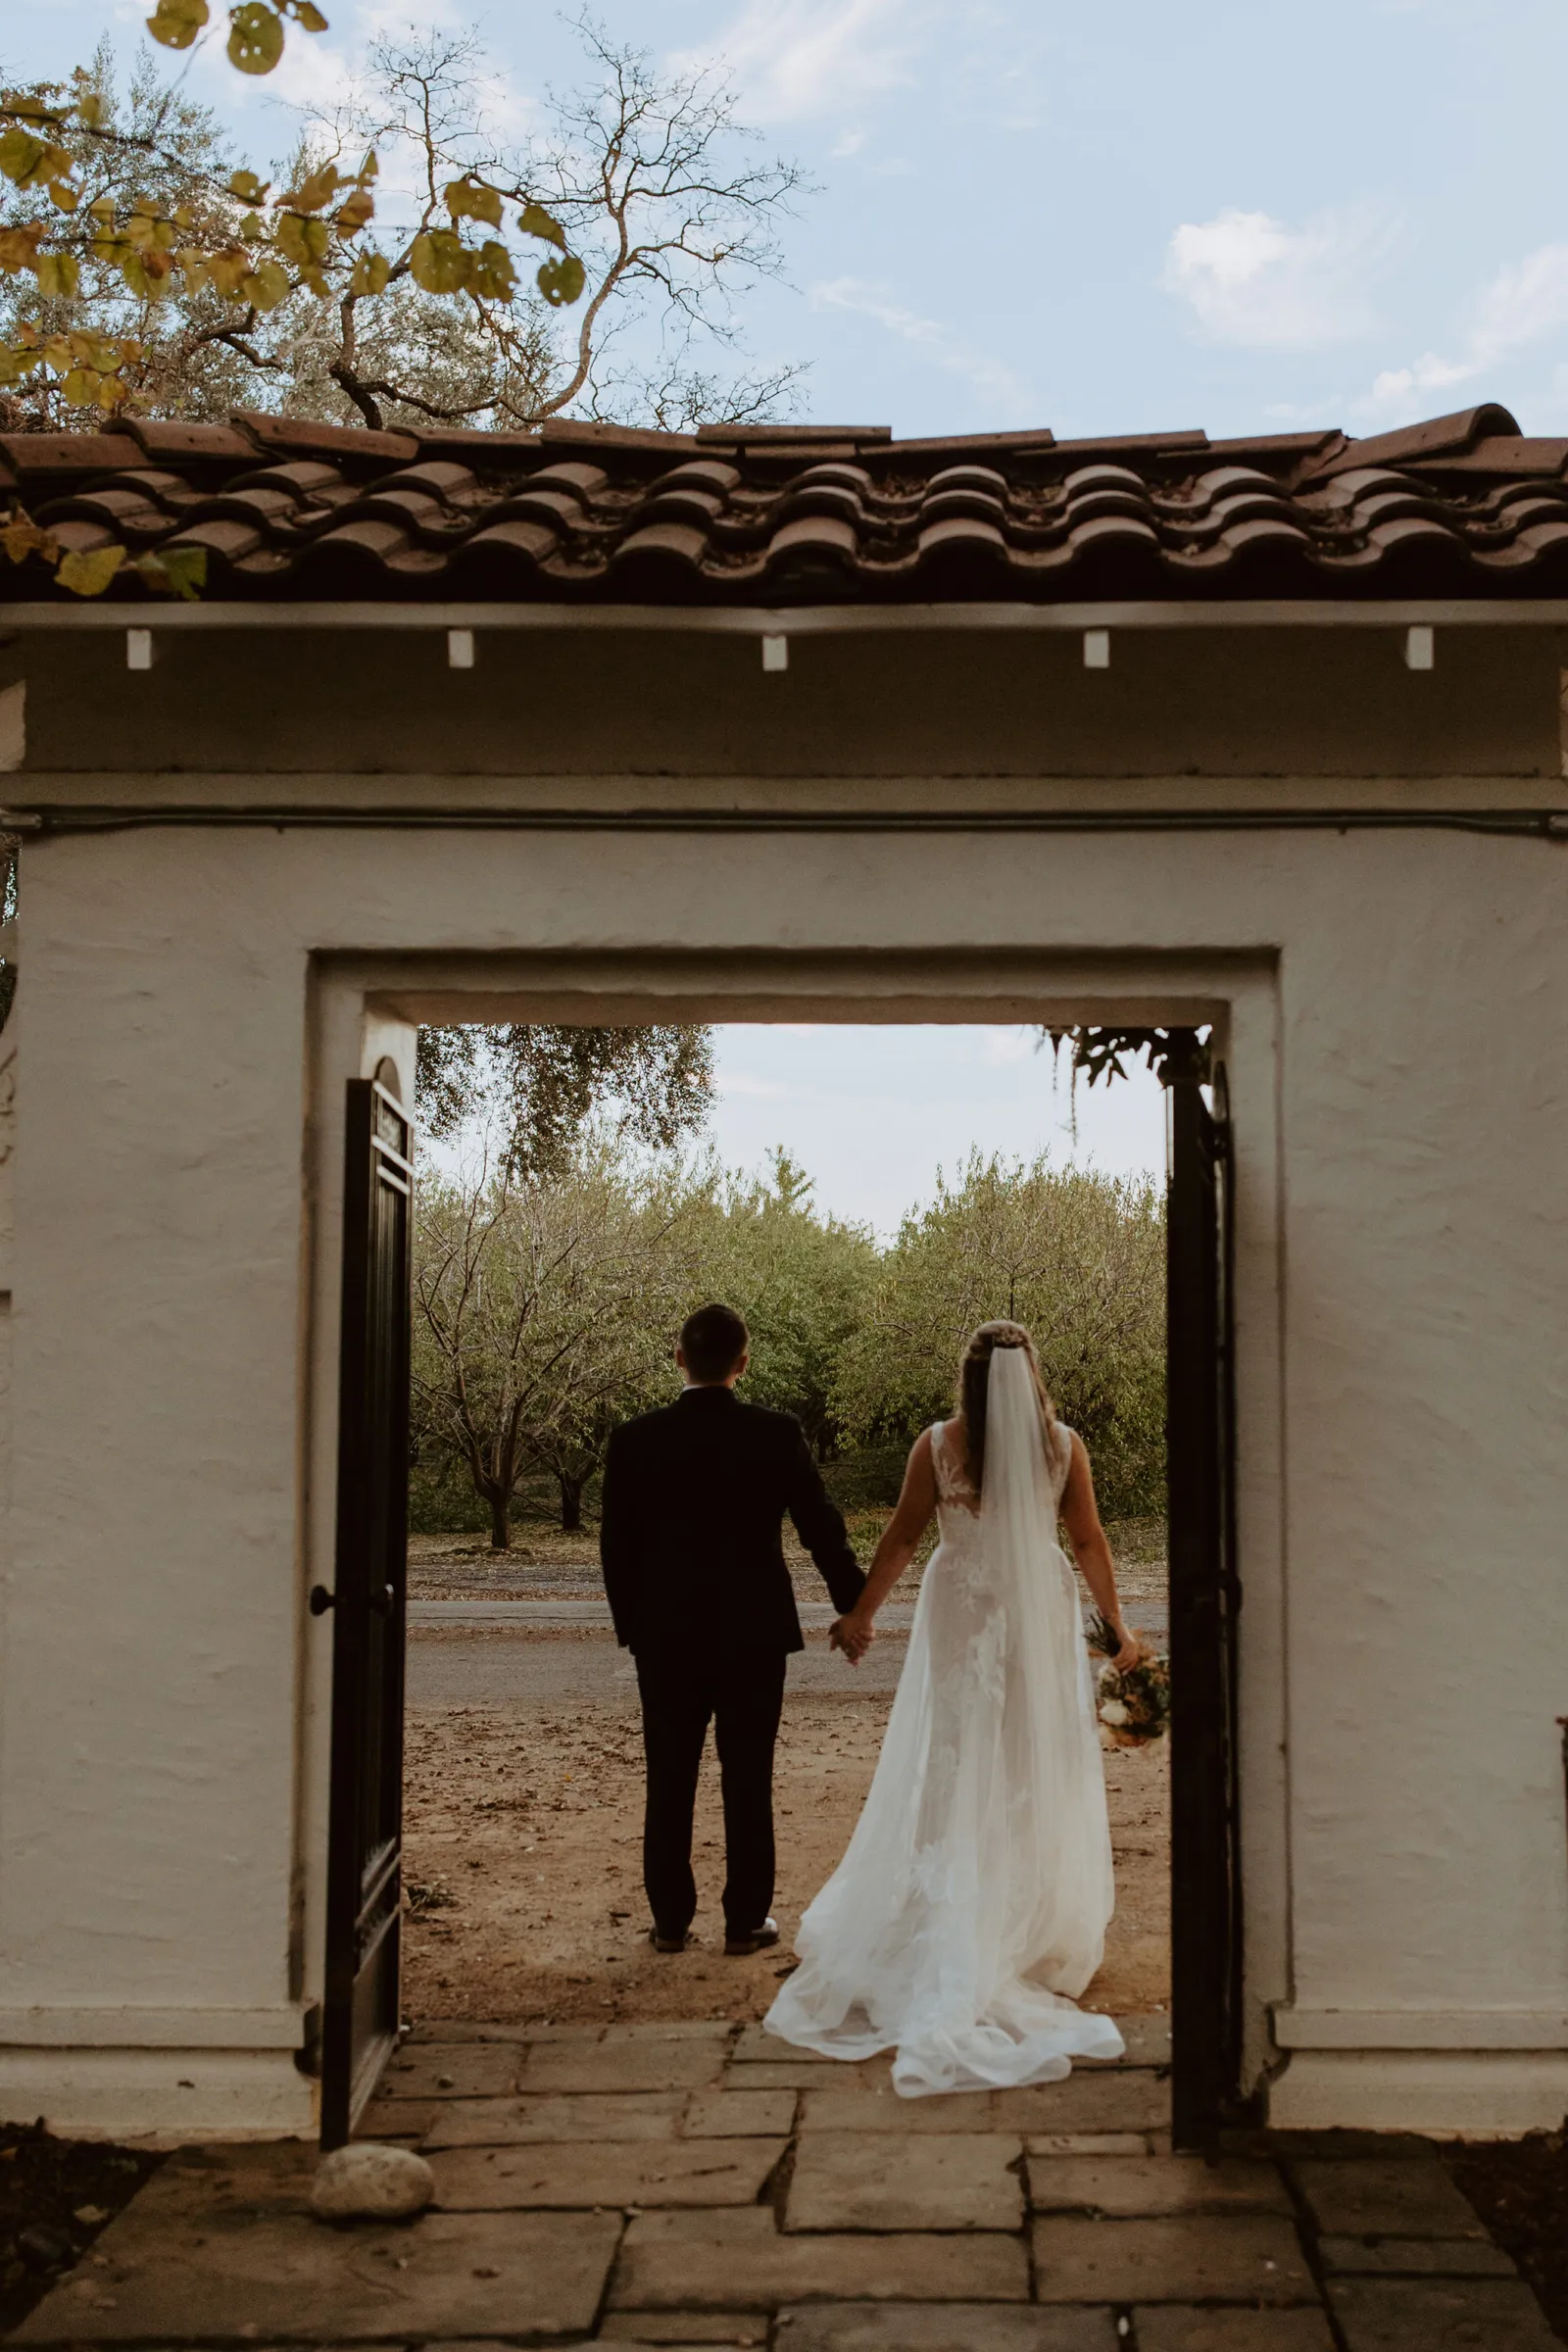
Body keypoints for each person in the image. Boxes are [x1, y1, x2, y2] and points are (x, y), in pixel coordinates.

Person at [765, 1319, 1141, 2094]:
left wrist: (862, 1613)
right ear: (1031, 1373)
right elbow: (1089, 1540)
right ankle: (1027, 1920)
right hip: (1033, 1611)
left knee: (957, 1751)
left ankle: (951, 1906)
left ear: (968, 1378)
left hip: (965, 1608)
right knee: (1031, 1753)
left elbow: (903, 1537)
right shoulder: (1062, 1446)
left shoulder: (938, 1444)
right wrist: (1117, 1626)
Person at [599, 1301, 867, 1958]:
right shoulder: (776, 1434)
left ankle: (669, 1922)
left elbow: (617, 1546)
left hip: (664, 1635)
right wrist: (852, 1603)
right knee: (748, 1776)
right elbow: (819, 1525)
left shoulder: (634, 1439)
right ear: (742, 1363)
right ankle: (745, 1920)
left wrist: (632, 1626)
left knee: (669, 1777)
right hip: (752, 1632)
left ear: (679, 1357)